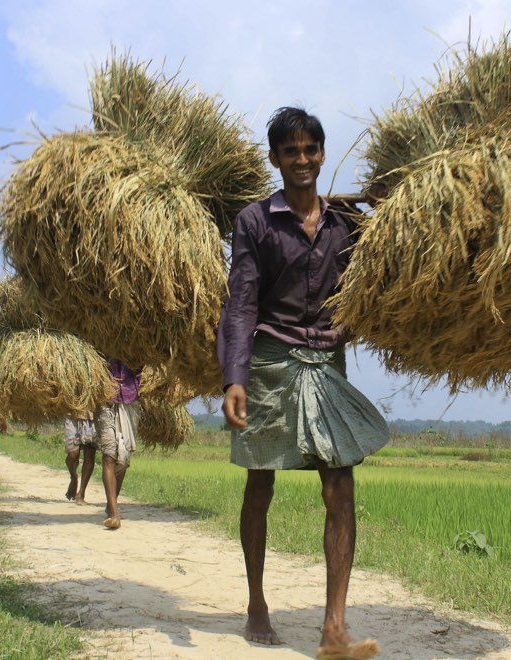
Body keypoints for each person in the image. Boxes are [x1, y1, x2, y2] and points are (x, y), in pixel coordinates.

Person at [218, 107, 389, 659]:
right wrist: (234, 377)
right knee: (260, 482)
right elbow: (241, 303)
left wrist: (391, 211)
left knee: (340, 486)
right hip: (270, 360)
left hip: (327, 358)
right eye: (289, 151)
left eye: (310, 149)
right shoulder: (256, 221)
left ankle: (334, 628)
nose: (302, 159)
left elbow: (387, 258)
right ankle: (257, 603)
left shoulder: (347, 223)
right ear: (275, 159)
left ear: (322, 153)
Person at [93, 357, 141, 530]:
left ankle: (110, 503)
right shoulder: (100, 340)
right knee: (109, 456)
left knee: (123, 460)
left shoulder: (135, 343)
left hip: (130, 400)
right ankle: (114, 513)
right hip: (105, 400)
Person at [63, 414, 96, 504]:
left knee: (89, 453)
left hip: (92, 415)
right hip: (72, 413)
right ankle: (74, 477)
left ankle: (81, 493)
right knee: (73, 455)